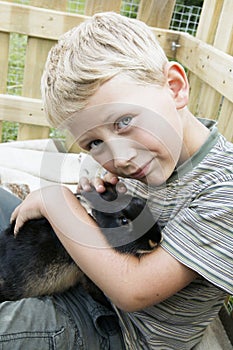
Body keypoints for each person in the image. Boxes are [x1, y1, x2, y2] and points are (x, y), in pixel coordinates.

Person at [0, 12, 232, 350]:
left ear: (175, 88)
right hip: (83, 284)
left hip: (120, 330)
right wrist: (96, 196)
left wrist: (58, 202)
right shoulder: (148, 159)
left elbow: (133, 290)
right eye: (94, 143)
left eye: (124, 121)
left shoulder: (224, 191)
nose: (119, 157)